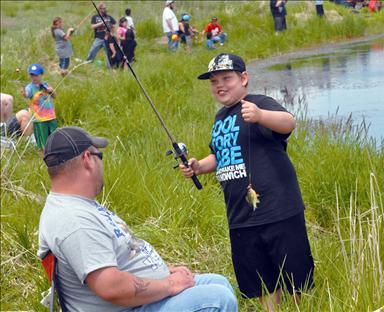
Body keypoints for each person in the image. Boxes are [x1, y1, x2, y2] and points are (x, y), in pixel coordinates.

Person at [38, 126, 238, 311]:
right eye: (100, 156)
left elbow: (118, 257)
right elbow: (111, 287)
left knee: (219, 282)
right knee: (218, 299)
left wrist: (165, 271)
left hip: (141, 298)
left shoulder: (78, 205)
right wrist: (169, 284)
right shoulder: (74, 221)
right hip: (130, 307)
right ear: (88, 159)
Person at [180, 54, 315, 311]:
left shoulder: (258, 103)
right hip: (241, 216)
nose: (220, 85)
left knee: (295, 276)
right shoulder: (220, 118)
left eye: (226, 78)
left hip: (278, 210)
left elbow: (289, 123)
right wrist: (199, 166)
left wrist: (261, 115)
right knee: (261, 280)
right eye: (214, 81)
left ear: (243, 78)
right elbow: (219, 156)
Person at [22, 64, 58, 150]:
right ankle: (43, 155)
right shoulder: (30, 87)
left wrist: (51, 91)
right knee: (42, 142)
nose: (34, 77)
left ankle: (54, 151)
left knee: (54, 137)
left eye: (36, 75)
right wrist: (24, 93)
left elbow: (55, 96)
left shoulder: (45, 85)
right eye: (32, 75)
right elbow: (27, 94)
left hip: (51, 116)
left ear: (41, 75)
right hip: (39, 119)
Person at [86, 2, 116, 68]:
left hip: (107, 39)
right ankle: (88, 63)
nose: (105, 10)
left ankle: (109, 67)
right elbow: (92, 26)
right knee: (92, 51)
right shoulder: (95, 17)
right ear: (99, 9)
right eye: (104, 8)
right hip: (99, 38)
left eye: (105, 8)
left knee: (108, 53)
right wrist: (101, 23)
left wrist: (112, 33)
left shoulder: (109, 17)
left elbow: (113, 25)